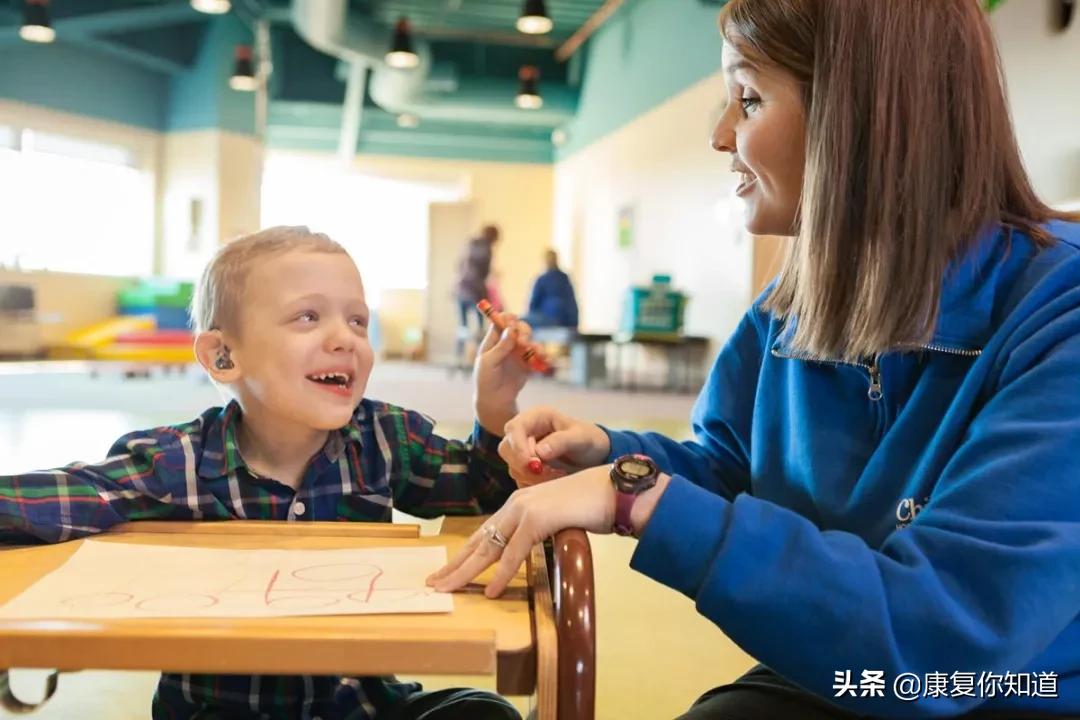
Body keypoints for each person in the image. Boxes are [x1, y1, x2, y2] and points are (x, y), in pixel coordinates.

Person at [428, 1, 1080, 718]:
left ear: (859, 116)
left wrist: (634, 499)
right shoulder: (789, 305)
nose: (719, 134)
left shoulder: (1059, 317)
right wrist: (614, 456)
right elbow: (732, 468)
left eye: (750, 99)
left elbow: (944, 638)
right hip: (831, 676)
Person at [0, 226, 530, 720]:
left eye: (357, 320)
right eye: (308, 317)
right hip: (221, 711)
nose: (344, 338)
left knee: (485, 712)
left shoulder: (386, 440)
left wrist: (494, 406)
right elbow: (72, 496)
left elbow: (483, 490)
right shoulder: (179, 461)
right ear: (223, 355)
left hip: (361, 705)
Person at [453, 225, 500, 369]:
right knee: (480, 327)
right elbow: (484, 273)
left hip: (461, 289)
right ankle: (480, 359)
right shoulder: (487, 249)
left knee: (463, 326)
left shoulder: (470, 244)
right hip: (476, 291)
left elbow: (459, 265)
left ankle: (459, 359)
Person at [522, 250, 578, 330]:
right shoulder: (565, 278)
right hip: (566, 322)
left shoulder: (542, 279)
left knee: (521, 320)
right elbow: (573, 303)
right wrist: (574, 325)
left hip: (548, 320)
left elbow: (533, 304)